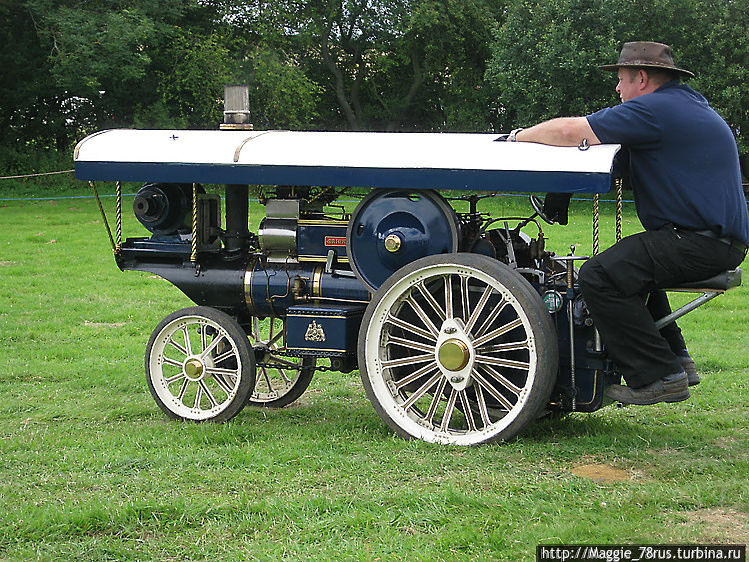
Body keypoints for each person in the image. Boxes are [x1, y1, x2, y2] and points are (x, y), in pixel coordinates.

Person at [507, 41, 749, 405]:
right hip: (718, 242)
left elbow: (573, 132)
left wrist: (517, 137)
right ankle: (678, 358)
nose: (618, 89)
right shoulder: (687, 105)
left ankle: (660, 375)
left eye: (621, 79)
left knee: (598, 275)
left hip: (698, 242)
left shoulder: (654, 109)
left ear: (642, 78)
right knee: (629, 267)